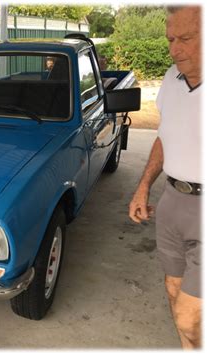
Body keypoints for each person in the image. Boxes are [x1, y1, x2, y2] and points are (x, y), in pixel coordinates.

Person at [128, 6, 201, 349]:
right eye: (171, 39)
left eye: (186, 38)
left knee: (191, 316)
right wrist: (143, 187)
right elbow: (164, 135)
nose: (175, 49)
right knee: (174, 292)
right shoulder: (172, 80)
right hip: (172, 202)